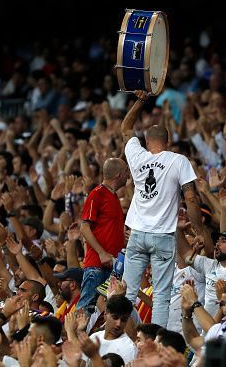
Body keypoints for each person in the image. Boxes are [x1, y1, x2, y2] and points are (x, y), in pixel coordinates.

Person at [120, 90, 203, 327]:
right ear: (167, 143)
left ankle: (125, 337)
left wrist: (141, 100)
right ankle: (155, 342)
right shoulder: (178, 160)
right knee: (162, 297)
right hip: (163, 237)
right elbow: (192, 198)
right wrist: (198, 231)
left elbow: (125, 127)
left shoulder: (137, 156)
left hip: (137, 234)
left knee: (127, 293)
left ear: (146, 142)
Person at [77, 158, 129, 312]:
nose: (129, 175)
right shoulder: (97, 194)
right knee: (85, 310)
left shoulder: (113, 197)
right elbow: (84, 228)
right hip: (97, 265)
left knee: (104, 313)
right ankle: (71, 336)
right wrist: (101, 253)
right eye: (126, 171)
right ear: (119, 175)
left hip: (112, 267)